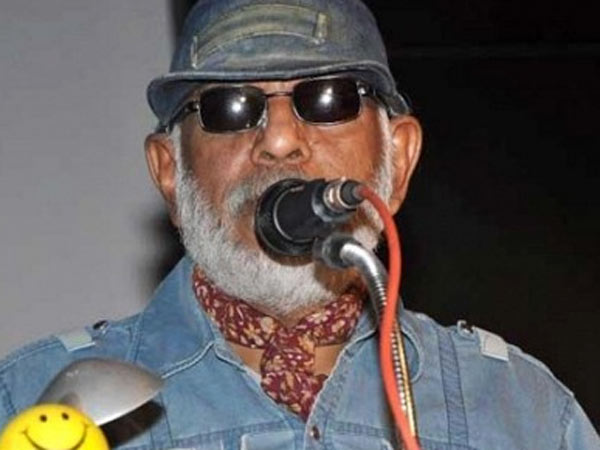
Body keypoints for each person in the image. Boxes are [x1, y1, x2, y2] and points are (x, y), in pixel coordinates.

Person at [0, 0, 598, 448]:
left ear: (398, 160)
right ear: (169, 173)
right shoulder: (33, 401)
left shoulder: (521, 411)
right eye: (229, 107)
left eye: (329, 98)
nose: (281, 140)